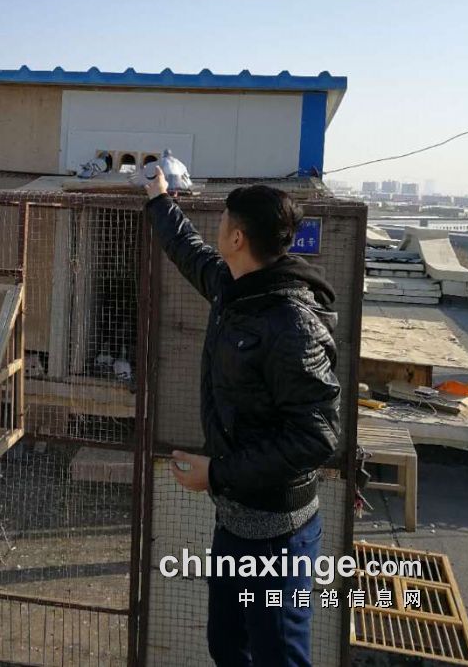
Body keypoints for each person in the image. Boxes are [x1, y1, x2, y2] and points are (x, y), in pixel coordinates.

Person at [144, 170, 341, 667]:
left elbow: (316, 436)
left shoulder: (290, 323)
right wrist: (159, 199)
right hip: (234, 521)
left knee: (278, 657)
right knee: (228, 646)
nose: (218, 226)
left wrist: (217, 473)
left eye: (224, 219)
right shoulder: (237, 288)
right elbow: (188, 252)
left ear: (237, 238)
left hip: (278, 537)